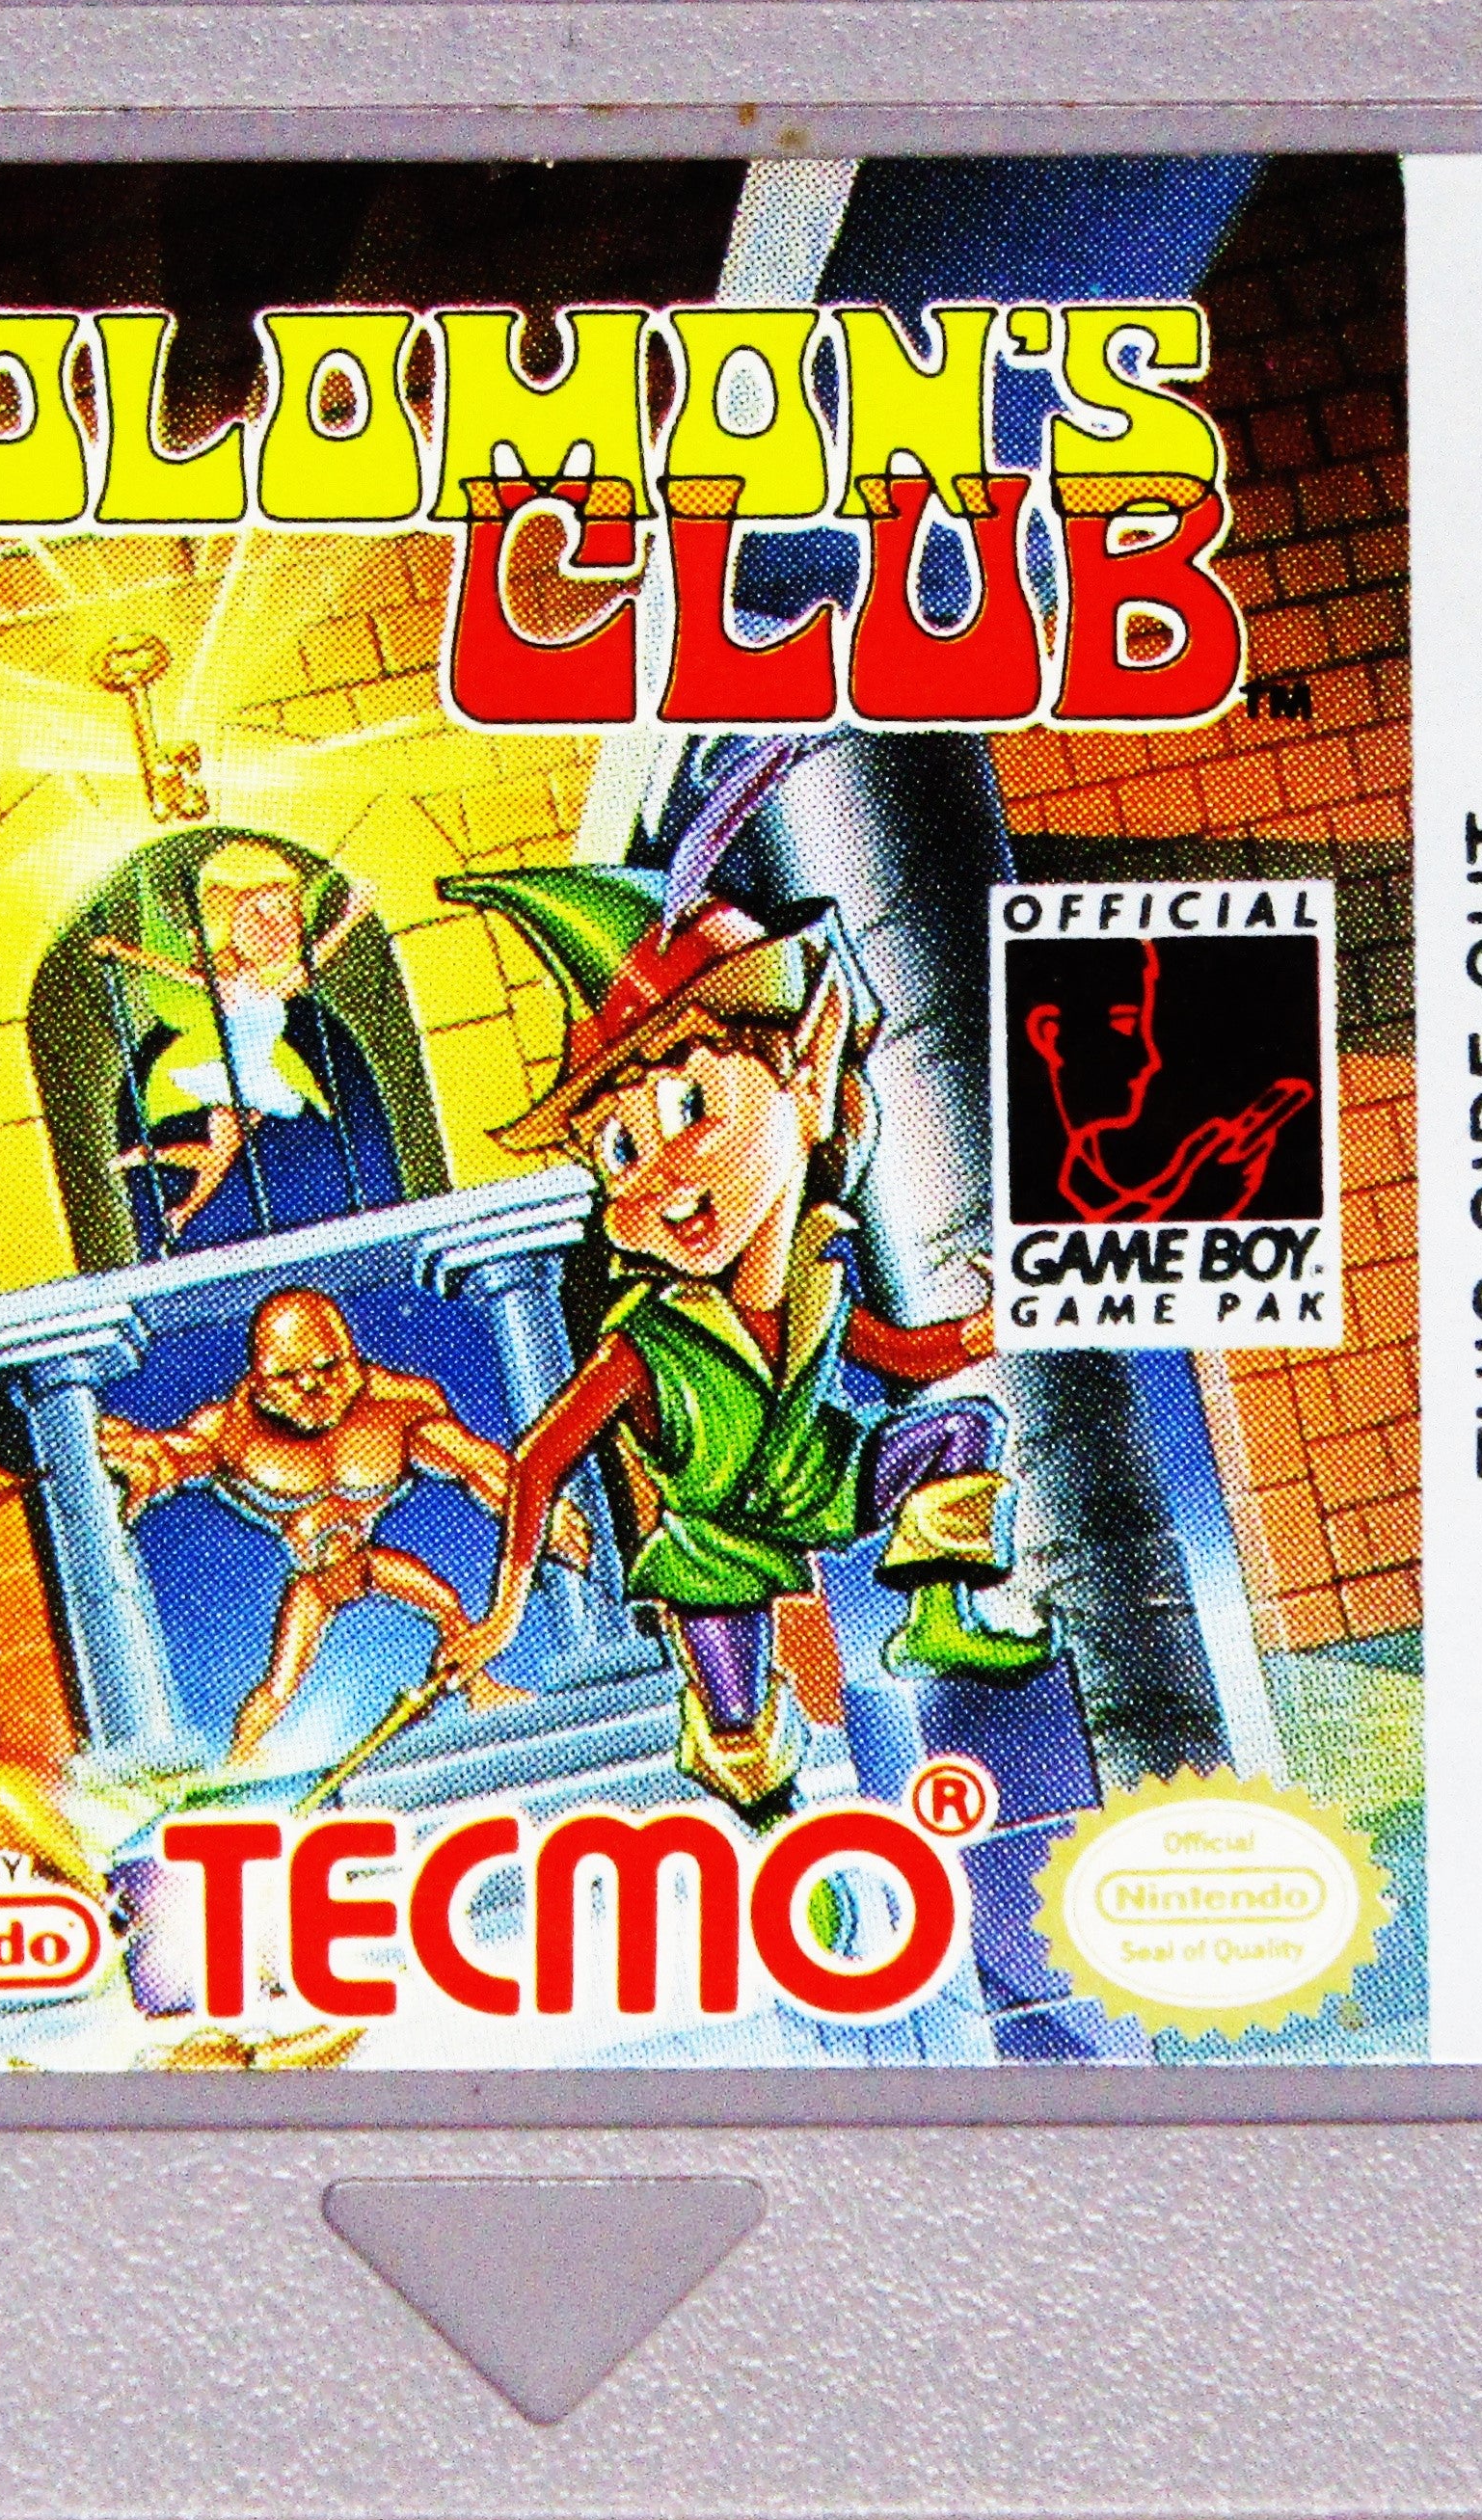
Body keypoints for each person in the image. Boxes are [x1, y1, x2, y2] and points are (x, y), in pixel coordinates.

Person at [444, 738, 1047, 1819]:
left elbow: (899, 1356)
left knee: (962, 1434)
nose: (657, 1178)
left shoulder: (818, 1268)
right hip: (714, 1551)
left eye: (689, 1110)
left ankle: (938, 1618)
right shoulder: (645, 1344)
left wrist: (989, 1326)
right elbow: (539, 1458)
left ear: (806, 1075)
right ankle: (773, 1838)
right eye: (618, 1153)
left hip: (821, 1483)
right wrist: (499, 1616)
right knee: (740, 1741)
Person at [96, 1285, 591, 1764]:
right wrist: (143, 1467)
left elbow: (474, 1462)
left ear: (352, 1358)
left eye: (328, 1367)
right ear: (259, 1380)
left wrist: (537, 1510)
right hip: (317, 1582)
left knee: (448, 1607)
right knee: (279, 1687)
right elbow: (174, 1457)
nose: (311, 1387)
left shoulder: (398, 1410)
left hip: (369, 1562)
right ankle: (241, 1758)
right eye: (287, 1376)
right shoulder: (231, 1431)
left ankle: (483, 1690)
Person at [91, 838, 367, 1240]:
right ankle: (158, 1173)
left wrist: (350, 917)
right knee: (219, 1156)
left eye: (285, 912)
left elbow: (309, 963)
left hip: (260, 1080)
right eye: (260, 914)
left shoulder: (264, 986)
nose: (277, 930)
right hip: (240, 1080)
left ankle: (170, 1190)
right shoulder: (233, 988)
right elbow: (173, 971)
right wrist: (122, 951)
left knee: (219, 1157)